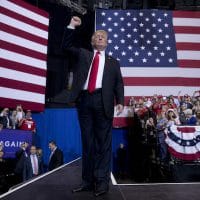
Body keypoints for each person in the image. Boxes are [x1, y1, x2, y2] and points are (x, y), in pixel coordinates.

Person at [59, 16, 124, 197]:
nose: (100, 37)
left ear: (108, 42)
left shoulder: (113, 62)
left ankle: (102, 183)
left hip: (104, 103)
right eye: (97, 36)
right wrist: (72, 25)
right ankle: (87, 182)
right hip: (85, 101)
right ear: (93, 41)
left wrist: (120, 101)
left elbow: (119, 83)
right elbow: (65, 46)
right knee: (88, 144)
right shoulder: (84, 54)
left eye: (103, 36)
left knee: (103, 145)